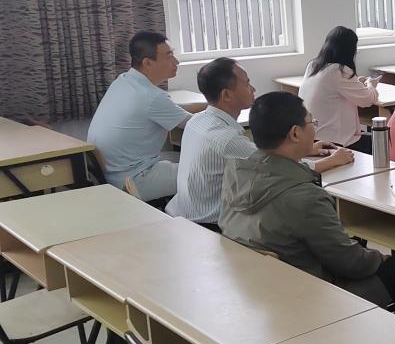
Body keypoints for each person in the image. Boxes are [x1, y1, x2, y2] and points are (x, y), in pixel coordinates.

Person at [218, 92, 395, 317]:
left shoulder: (236, 175)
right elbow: (351, 264)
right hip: (315, 297)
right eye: (312, 123)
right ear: (295, 133)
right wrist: (381, 257)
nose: (314, 128)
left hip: (262, 289)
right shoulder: (305, 197)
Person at [167, 59, 354, 232]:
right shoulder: (228, 140)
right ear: (227, 95)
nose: (253, 88)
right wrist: (332, 161)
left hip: (182, 214)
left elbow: (261, 156)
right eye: (247, 83)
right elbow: (280, 169)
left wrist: (307, 149)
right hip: (209, 227)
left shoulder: (198, 120)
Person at [87, 31, 191, 202]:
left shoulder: (123, 81)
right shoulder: (152, 97)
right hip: (134, 181)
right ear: (147, 63)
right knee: (210, 172)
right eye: (169, 56)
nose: (176, 62)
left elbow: (172, 112)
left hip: (112, 176)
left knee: (182, 159)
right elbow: (197, 126)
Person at [298, 26, 380, 153]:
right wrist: (371, 84)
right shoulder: (339, 70)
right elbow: (368, 100)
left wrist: (356, 83)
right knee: (382, 140)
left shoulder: (313, 66)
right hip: (334, 142)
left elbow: (334, 89)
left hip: (311, 138)